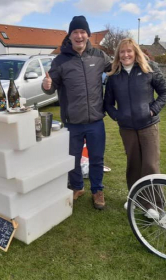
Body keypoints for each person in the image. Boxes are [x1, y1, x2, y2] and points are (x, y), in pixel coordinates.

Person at [42, 15, 111, 210]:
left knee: (97, 158)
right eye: (75, 32)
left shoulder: (99, 56)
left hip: (96, 119)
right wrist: (46, 85)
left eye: (82, 32)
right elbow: (50, 85)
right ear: (70, 36)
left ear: (88, 35)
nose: (79, 36)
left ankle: (97, 190)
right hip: (73, 121)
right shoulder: (60, 60)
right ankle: (77, 186)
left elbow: (115, 69)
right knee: (73, 158)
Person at [104, 38, 166, 218]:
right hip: (127, 128)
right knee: (133, 165)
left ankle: (154, 205)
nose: (126, 55)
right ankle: (135, 199)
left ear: (135, 53)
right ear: (118, 55)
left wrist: (153, 110)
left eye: (129, 51)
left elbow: (165, 92)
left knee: (150, 165)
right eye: (122, 52)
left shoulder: (148, 70)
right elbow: (108, 103)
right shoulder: (114, 76)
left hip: (148, 126)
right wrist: (117, 116)